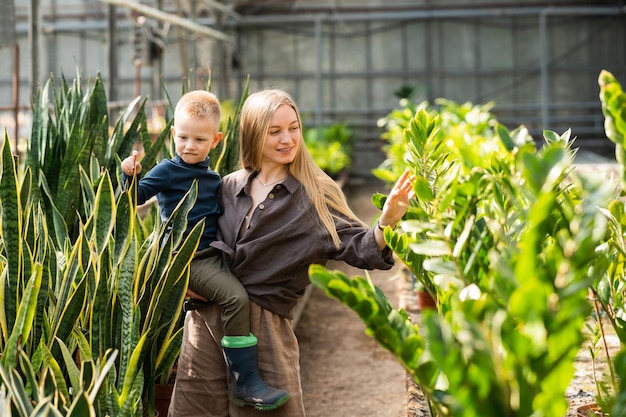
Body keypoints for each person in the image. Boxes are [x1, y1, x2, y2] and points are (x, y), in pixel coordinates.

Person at [168, 88, 415, 417]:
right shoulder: (228, 185)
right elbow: (190, 240)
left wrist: (386, 220)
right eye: (275, 131)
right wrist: (185, 281)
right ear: (254, 135)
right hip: (208, 321)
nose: (288, 139)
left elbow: (362, 247)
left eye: (293, 128)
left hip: (266, 328)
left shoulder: (314, 194)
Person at [120, 90, 290, 411]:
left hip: (213, 254)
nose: (188, 146)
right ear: (173, 134)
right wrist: (129, 176)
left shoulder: (213, 178)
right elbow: (136, 197)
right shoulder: (168, 170)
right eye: (182, 137)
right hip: (187, 259)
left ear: (216, 141)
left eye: (199, 139)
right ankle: (245, 381)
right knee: (235, 298)